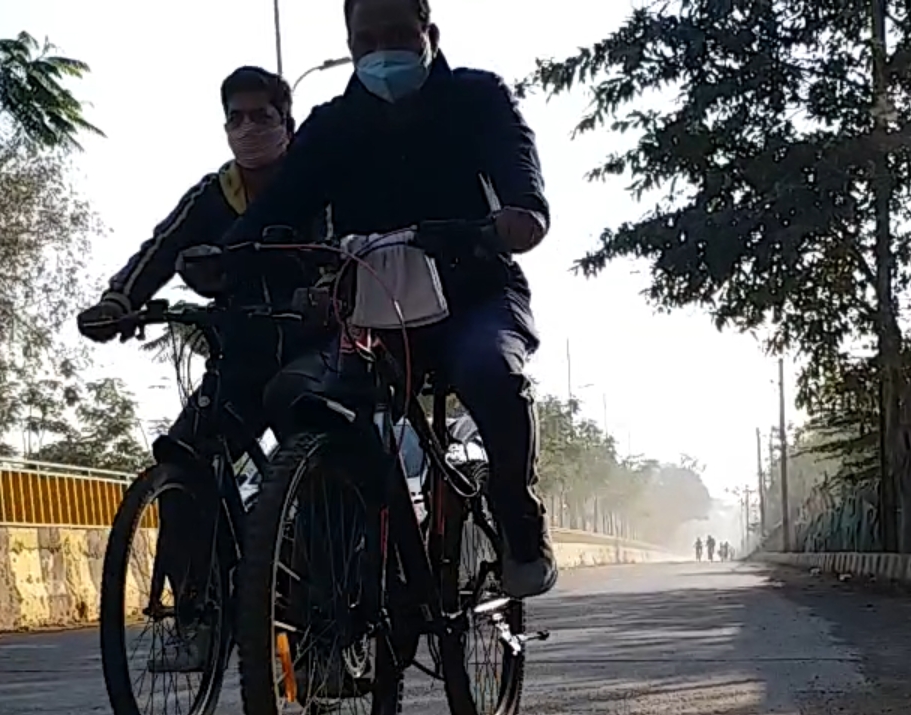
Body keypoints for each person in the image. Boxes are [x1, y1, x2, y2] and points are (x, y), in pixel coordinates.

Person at [214, 0, 558, 599]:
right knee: (298, 396)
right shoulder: (329, 126)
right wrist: (226, 255)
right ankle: (336, 566)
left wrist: (521, 215)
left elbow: (519, 173)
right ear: (350, 45)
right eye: (366, 40)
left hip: (472, 299)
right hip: (372, 314)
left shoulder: (478, 99)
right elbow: (277, 209)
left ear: (430, 34)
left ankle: (518, 519)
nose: (381, 51)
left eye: (398, 34)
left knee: (491, 373)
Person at [76, 65, 324, 672]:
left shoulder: (316, 182)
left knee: (319, 470)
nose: (247, 128)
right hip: (239, 355)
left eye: (261, 116)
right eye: (234, 118)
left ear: (286, 123)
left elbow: (345, 248)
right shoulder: (212, 195)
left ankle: (328, 631)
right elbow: (158, 250)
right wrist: (119, 300)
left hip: (313, 353)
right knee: (185, 457)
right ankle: (198, 614)